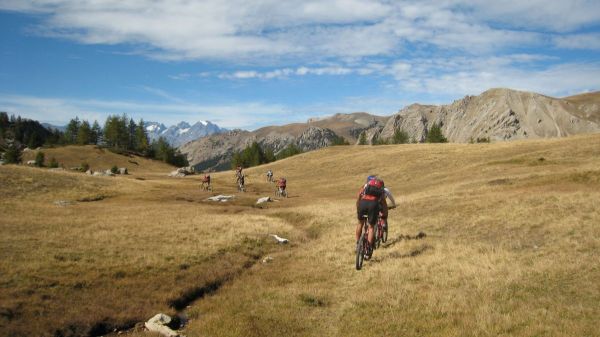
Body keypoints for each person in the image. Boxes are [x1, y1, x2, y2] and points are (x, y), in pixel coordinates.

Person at [356, 176, 388, 258]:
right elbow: (384, 204)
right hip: (373, 205)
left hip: (363, 203)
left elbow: (359, 196)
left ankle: (357, 243)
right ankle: (368, 250)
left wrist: (358, 207)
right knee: (371, 227)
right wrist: (384, 215)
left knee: (360, 223)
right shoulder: (381, 190)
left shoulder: (366, 186)